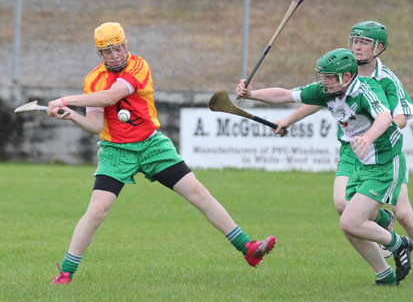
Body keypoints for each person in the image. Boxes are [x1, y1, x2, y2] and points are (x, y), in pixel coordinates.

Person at [47, 22, 276, 285]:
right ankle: (66, 273)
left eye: (118, 47)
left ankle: (247, 249)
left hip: (151, 145)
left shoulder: (138, 66)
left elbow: (112, 96)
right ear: (99, 54)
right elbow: (96, 125)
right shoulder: (92, 79)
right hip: (116, 151)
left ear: (125, 44)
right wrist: (72, 116)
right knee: (98, 209)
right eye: (107, 51)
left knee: (198, 193)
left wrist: (65, 99)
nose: (115, 55)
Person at [265, 21, 413, 280]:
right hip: (351, 151)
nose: (358, 47)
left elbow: (400, 117)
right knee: (342, 206)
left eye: (365, 43)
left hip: (382, 152)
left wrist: (372, 136)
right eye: (355, 41)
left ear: (378, 48)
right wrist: (288, 120)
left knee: (403, 213)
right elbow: (321, 97)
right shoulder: (341, 70)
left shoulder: (385, 80)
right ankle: (383, 239)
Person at [236, 48, 413, 286]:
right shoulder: (327, 91)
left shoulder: (365, 90)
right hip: (361, 161)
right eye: (324, 76)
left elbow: (384, 117)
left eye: (330, 77)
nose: (325, 82)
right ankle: (385, 276)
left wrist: (367, 138)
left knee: (350, 222)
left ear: (348, 76)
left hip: (383, 162)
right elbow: (286, 95)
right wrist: (251, 94)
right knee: (350, 223)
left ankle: (399, 244)